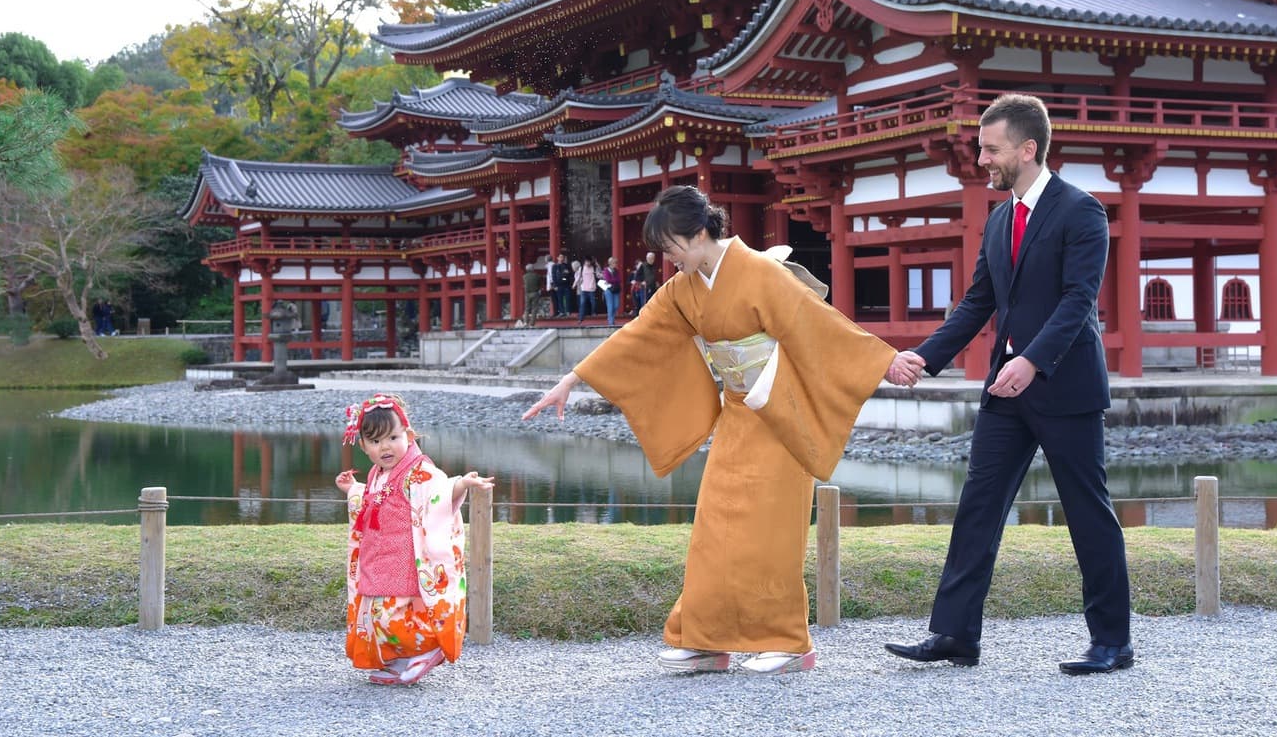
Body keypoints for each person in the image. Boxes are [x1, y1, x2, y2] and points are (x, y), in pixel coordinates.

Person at [523, 185, 919, 675]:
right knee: (715, 527)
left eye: (670, 247)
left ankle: (789, 642)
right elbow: (639, 334)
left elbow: (816, 322)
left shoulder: (758, 273)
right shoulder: (685, 289)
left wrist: (884, 360)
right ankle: (706, 639)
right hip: (739, 412)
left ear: (698, 234)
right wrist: (573, 380)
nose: (666, 259)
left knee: (772, 532)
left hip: (780, 412)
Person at [882, 93, 1133, 676]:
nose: (981, 158)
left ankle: (1113, 642)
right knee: (978, 507)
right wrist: (923, 357)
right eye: (980, 147)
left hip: (1065, 389)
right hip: (1004, 391)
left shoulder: (1082, 211)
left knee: (1088, 513)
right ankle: (954, 634)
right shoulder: (999, 219)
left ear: (1027, 148)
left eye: (990, 148)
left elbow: (1079, 302)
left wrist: (1035, 362)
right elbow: (978, 304)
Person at [334, 392, 494, 686]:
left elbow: (439, 492)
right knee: (376, 615)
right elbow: (370, 502)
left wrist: (461, 484)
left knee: (395, 615)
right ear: (364, 446)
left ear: (408, 434)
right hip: (378, 557)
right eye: (376, 441)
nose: (386, 447)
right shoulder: (376, 473)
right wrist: (354, 489)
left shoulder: (417, 471)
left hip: (406, 558)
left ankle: (427, 649)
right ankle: (402, 659)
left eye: (393, 437)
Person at [575, 258, 598, 323]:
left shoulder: (593, 268)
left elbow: (599, 274)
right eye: (586, 262)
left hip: (592, 288)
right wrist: (574, 284)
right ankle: (580, 318)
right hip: (584, 289)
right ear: (584, 262)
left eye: (589, 262)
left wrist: (597, 265)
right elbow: (578, 277)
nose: (588, 263)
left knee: (593, 302)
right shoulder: (581, 268)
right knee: (582, 303)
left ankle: (593, 313)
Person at [551, 252, 575, 318]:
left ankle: (568, 311)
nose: (562, 258)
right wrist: (555, 285)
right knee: (560, 299)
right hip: (559, 285)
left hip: (566, 285)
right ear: (557, 258)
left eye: (563, 257)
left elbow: (571, 275)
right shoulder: (555, 266)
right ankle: (561, 312)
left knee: (568, 298)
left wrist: (570, 282)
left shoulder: (567, 265)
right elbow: (553, 276)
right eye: (560, 257)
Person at [601, 256, 622, 325]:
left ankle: (611, 318)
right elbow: (608, 279)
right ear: (610, 263)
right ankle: (611, 321)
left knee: (616, 305)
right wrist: (614, 280)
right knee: (610, 306)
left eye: (616, 263)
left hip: (616, 289)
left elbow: (619, 279)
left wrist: (613, 280)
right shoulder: (606, 270)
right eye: (614, 263)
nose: (615, 264)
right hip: (608, 290)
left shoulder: (617, 271)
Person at [522, 261, 544, 326]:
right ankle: (532, 323)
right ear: (533, 269)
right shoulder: (537, 276)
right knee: (534, 308)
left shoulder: (524, 276)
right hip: (535, 293)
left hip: (527, 294)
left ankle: (525, 322)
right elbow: (540, 284)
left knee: (527, 308)